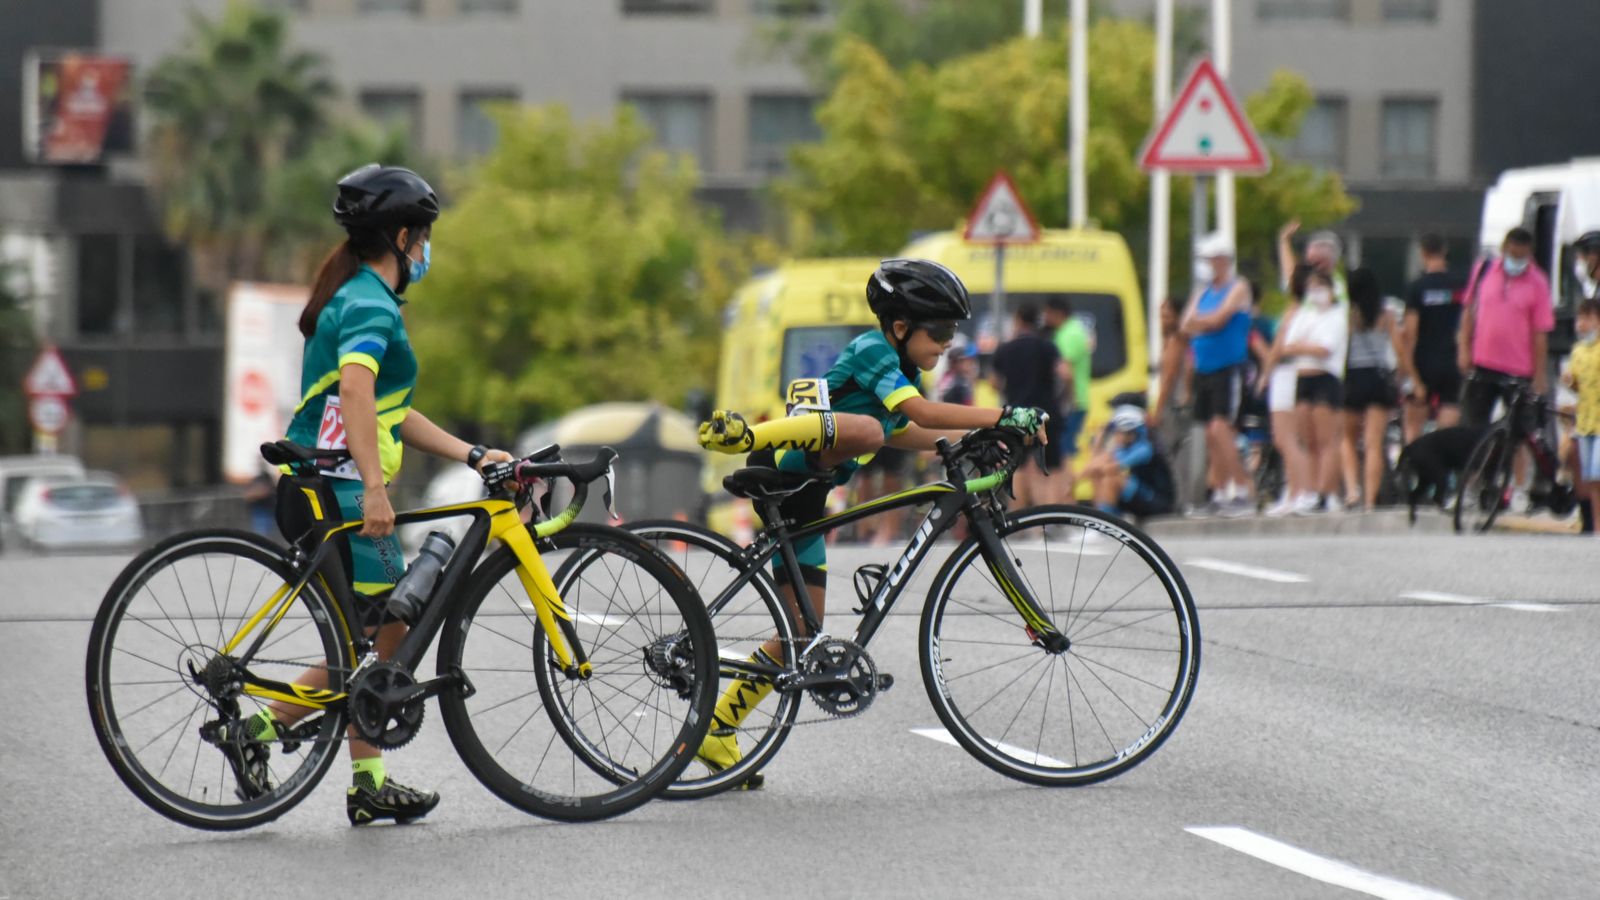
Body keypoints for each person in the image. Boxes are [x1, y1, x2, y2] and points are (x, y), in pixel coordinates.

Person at [229, 164, 514, 826]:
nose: (426, 251)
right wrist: (379, 490)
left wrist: (471, 453)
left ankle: (364, 780)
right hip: (342, 496)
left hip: (332, 489)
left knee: (371, 644)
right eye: (425, 238)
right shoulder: (366, 303)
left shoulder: (363, 296)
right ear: (405, 235)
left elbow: (388, 411)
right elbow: (356, 391)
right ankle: (263, 733)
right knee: (383, 635)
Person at [696, 258, 1046, 786]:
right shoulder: (872, 350)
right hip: (788, 468)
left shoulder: (902, 372)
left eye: (955, 331)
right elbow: (921, 415)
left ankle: (716, 729)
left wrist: (982, 439)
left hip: (808, 500)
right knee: (864, 430)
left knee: (797, 636)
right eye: (942, 331)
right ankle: (748, 435)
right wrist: (1002, 415)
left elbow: (909, 430)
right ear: (901, 327)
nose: (949, 342)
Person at [1180, 232, 1254, 517]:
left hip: (1228, 368)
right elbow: (1187, 324)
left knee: (1221, 429)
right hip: (1204, 368)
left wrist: (1203, 322)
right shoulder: (1203, 292)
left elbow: (1218, 319)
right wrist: (1202, 323)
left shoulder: (1238, 288)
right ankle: (1220, 491)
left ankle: (1243, 488)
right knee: (1211, 434)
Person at [1458, 227, 1553, 426]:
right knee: (1472, 427)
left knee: (1519, 431)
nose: (1517, 261)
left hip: (1519, 370)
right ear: (1504, 249)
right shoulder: (1484, 270)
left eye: (1522, 256)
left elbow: (1540, 332)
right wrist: (1464, 350)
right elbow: (1468, 312)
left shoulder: (1538, 283)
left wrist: (1540, 375)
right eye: (1513, 255)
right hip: (1483, 364)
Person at [1278, 269, 1348, 513]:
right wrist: (1306, 347)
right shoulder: (1304, 315)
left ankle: (1326, 491)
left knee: (1325, 438)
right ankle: (1309, 490)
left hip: (1325, 379)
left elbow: (1325, 348)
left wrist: (1303, 346)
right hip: (1304, 377)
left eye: (1321, 286)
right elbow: (1288, 345)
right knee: (1306, 438)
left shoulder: (1337, 316)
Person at [992, 302, 1066, 507]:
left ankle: (1018, 519)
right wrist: (1065, 397)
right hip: (1046, 412)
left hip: (1016, 414)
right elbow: (1065, 374)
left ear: (1017, 320)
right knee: (1051, 467)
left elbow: (994, 382)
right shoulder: (1047, 346)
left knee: (1018, 465)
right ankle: (1050, 519)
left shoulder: (1005, 348)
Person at [1256, 265, 1314, 517]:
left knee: (1285, 437)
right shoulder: (1308, 311)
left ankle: (1300, 491)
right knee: (1289, 438)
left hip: (1285, 373)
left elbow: (1278, 346)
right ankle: (1295, 491)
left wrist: (1265, 374)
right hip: (1295, 373)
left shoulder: (1294, 311)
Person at [1341, 268, 1400, 511]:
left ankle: (1352, 491)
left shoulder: (1347, 315)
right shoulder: (1386, 314)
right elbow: (1399, 348)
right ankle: (1369, 500)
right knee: (1374, 442)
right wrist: (1405, 377)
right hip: (1378, 378)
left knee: (1347, 439)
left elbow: (1341, 347)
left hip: (1353, 377)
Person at [1401, 234, 1463, 444]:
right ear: (1444, 251)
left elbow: (1410, 334)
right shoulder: (1459, 286)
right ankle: (1443, 465)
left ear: (1422, 253)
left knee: (1413, 427)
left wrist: (1408, 373)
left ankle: (1413, 467)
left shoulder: (1417, 288)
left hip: (1423, 361)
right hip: (1452, 359)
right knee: (1449, 418)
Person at [1081, 404, 1175, 519]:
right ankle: (1099, 520)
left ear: (1131, 432)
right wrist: (1099, 439)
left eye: (1118, 431)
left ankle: (1105, 522)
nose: (1116, 435)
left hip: (1158, 502)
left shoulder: (1145, 448)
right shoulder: (1122, 449)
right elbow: (1096, 465)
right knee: (1097, 476)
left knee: (1112, 478)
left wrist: (1078, 478)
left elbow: (1110, 468)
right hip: (1139, 498)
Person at [1043, 296, 1093, 500]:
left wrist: (1067, 401)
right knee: (1065, 453)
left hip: (1072, 403)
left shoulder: (1068, 333)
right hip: (1077, 401)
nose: (1045, 318)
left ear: (1057, 313)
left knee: (1063, 456)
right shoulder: (1074, 330)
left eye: (1047, 313)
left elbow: (1066, 371)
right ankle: (1067, 502)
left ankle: (1068, 503)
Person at [1563, 298, 1600, 534]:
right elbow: (1578, 386)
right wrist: (1570, 382)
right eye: (1580, 319)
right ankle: (1596, 525)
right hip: (1585, 422)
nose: (1582, 324)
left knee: (1598, 473)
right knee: (1591, 481)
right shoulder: (1577, 351)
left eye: (1588, 318)